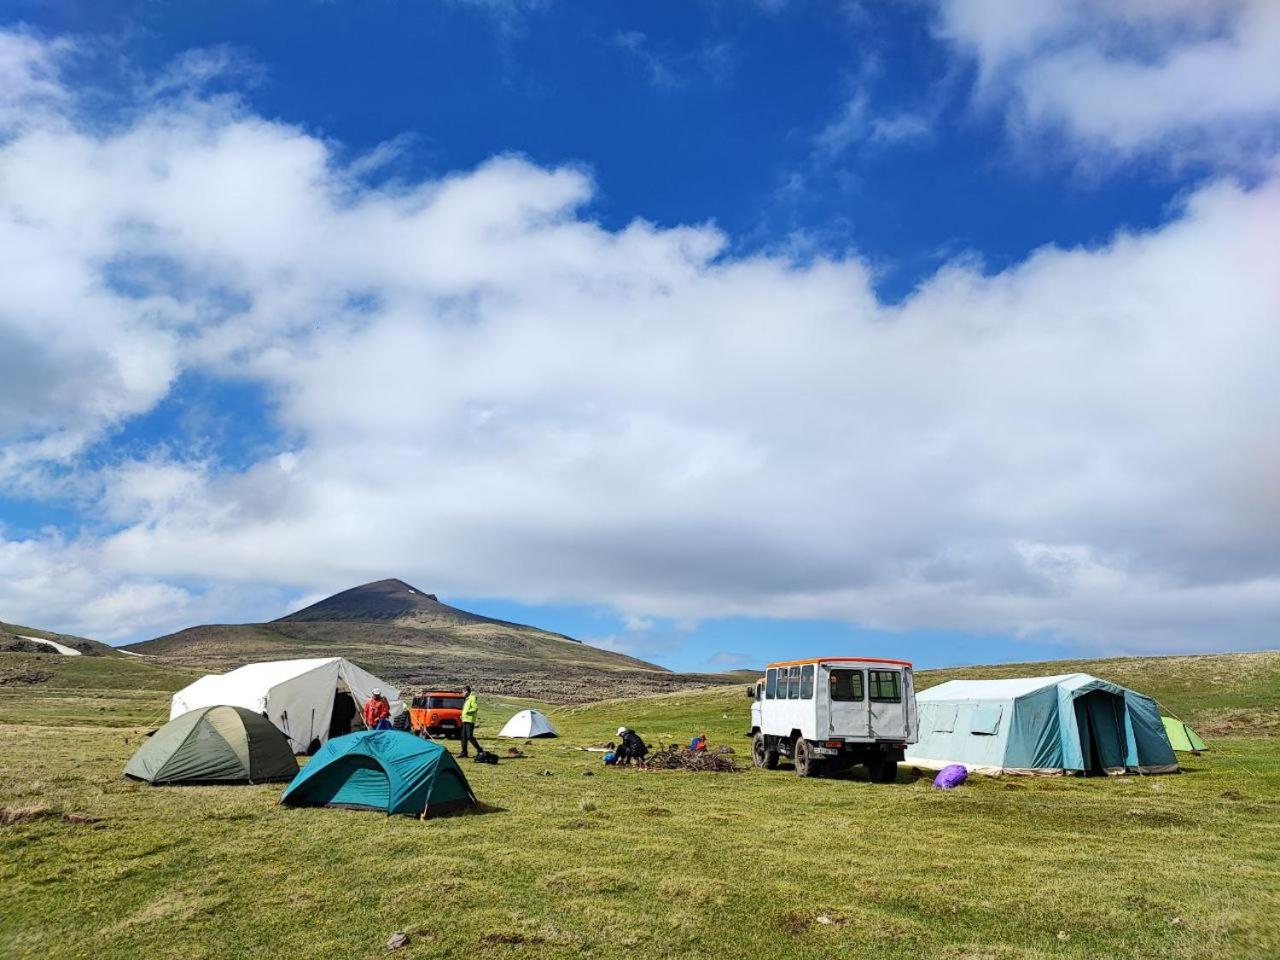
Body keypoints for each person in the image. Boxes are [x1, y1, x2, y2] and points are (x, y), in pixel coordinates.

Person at [459, 685, 482, 758]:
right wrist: (462, 716)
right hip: (465, 720)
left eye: (463, 692)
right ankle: (464, 752)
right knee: (463, 737)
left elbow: (475, 708)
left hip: (469, 720)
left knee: (469, 736)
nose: (462, 693)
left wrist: (468, 712)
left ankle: (479, 749)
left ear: (466, 691)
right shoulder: (467, 699)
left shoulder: (472, 698)